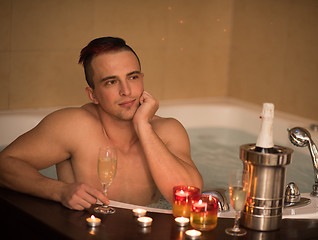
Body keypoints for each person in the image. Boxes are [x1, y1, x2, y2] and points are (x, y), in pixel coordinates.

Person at [0, 37, 203, 210]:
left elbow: (190, 199)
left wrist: (143, 126)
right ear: (93, 94)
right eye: (111, 82)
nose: (126, 91)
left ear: (142, 79)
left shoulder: (168, 130)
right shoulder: (74, 126)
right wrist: (59, 191)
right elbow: (5, 163)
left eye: (132, 77)